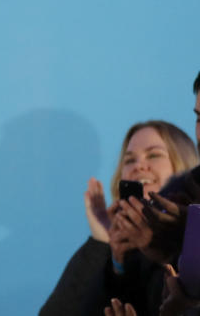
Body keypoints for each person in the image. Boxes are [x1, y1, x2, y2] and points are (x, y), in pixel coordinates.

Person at [41, 120, 200, 315]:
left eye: (154, 155)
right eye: (129, 160)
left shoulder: (192, 239)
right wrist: (101, 242)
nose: (139, 166)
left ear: (184, 167)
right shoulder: (118, 253)